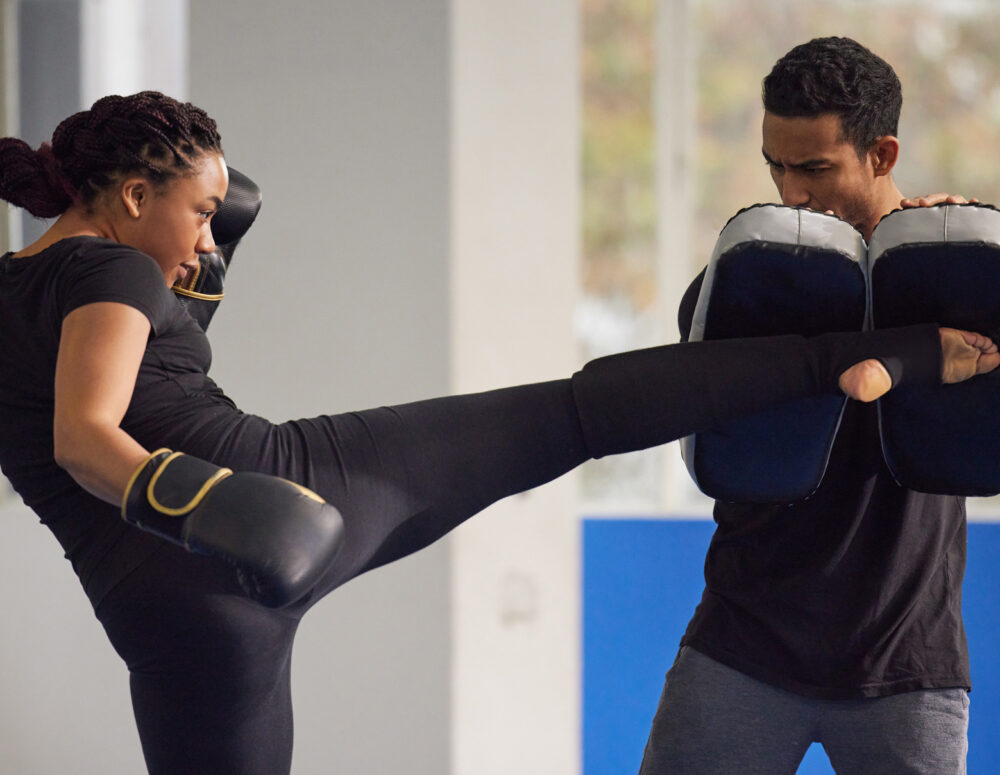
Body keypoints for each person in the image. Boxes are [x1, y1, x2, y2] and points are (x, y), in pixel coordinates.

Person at [0, 93, 992, 775]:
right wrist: (217, 501)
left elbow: (142, 382)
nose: (207, 242)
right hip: (278, 488)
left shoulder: (31, 290)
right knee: (577, 412)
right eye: (202, 215)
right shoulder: (114, 268)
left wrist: (210, 257)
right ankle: (869, 352)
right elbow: (92, 437)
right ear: (131, 198)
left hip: (167, 618)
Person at [639, 37, 987, 775]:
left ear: (882, 154)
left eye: (815, 168)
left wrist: (965, 268)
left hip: (905, 662)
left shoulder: (956, 279)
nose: (790, 191)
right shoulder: (745, 284)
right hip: (743, 648)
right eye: (777, 164)